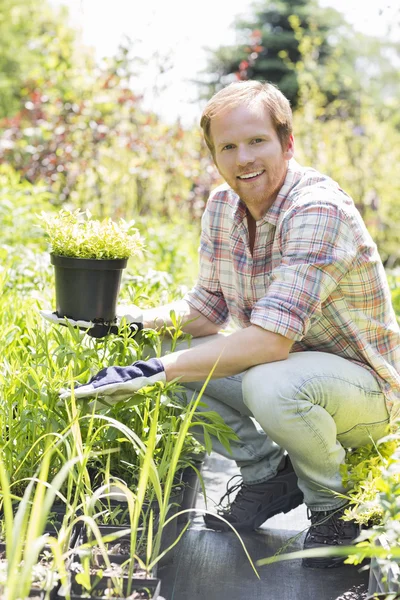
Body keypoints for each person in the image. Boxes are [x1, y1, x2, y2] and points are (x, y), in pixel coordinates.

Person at [64, 80, 400, 569]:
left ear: (287, 142)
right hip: (297, 377)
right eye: (228, 147)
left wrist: (154, 370)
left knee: (256, 378)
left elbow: (269, 342)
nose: (244, 158)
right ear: (215, 157)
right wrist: (122, 324)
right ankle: (268, 476)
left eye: (257, 141)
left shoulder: (317, 209)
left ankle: (336, 509)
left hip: (367, 395)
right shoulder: (223, 207)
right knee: (172, 343)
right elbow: (204, 310)